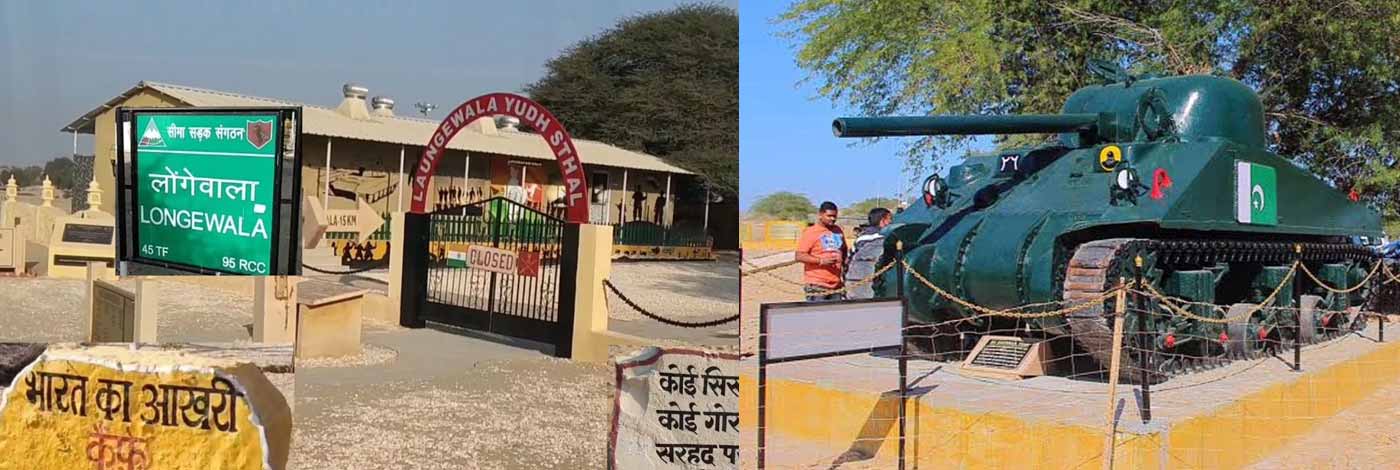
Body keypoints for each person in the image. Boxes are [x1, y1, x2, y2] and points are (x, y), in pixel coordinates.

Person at [795, 201, 848, 301]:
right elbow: (799, 256)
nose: (833, 219)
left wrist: (845, 262)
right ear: (820, 215)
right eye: (829, 216)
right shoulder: (810, 232)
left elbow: (844, 249)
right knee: (817, 315)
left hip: (837, 284)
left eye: (835, 216)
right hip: (817, 284)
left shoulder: (838, 230)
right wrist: (821, 261)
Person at [846, 207, 892, 299]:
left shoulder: (860, 238)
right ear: (883, 221)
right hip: (872, 284)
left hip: (854, 281)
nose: (891, 222)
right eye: (890, 219)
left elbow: (849, 258)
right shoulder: (883, 238)